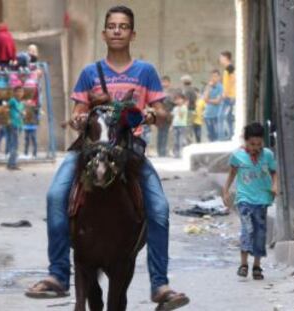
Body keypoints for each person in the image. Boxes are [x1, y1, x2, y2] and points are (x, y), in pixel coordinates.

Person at [26, 5, 189, 309]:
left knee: (160, 208)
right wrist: (77, 119)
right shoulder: (90, 73)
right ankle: (58, 274)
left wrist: (153, 115)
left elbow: (164, 114)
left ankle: (160, 284)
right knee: (55, 196)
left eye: (123, 26)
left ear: (132, 33)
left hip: (131, 152)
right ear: (104, 33)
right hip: (89, 152)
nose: (117, 31)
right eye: (112, 26)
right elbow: (78, 112)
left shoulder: (146, 72)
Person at [222, 122, 278, 280]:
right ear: (245, 141)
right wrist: (225, 190)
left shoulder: (267, 155)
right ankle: (244, 264)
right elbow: (232, 174)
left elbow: (274, 172)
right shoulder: (237, 156)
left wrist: (275, 186)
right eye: (252, 144)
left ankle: (257, 266)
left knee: (260, 232)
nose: (255, 147)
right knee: (248, 229)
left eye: (259, 144)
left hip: (262, 199)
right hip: (244, 198)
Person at [218, 51, 236, 140]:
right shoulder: (228, 68)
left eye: (221, 57)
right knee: (228, 117)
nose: (220, 59)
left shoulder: (230, 67)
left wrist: (226, 92)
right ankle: (230, 135)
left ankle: (222, 138)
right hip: (229, 95)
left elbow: (233, 79)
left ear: (226, 58)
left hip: (229, 96)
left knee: (221, 116)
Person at [7, 86, 25, 170]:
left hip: (19, 125)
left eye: (21, 92)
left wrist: (23, 114)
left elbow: (22, 113)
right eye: (18, 92)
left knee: (16, 145)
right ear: (14, 93)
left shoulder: (21, 103)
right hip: (13, 124)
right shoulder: (12, 101)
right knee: (14, 144)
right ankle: (12, 164)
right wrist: (9, 119)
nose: (20, 93)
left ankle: (11, 163)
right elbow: (6, 109)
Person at [157, 76, 174, 157]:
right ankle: (160, 151)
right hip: (160, 116)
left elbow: (173, 103)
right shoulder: (158, 92)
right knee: (160, 134)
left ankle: (163, 151)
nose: (164, 84)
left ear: (169, 83)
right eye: (163, 82)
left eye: (166, 82)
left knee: (165, 133)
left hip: (168, 116)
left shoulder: (172, 92)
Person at [203, 70, 223, 142]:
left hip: (216, 115)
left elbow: (218, 101)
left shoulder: (221, 87)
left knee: (217, 137)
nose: (214, 78)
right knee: (210, 136)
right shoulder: (208, 87)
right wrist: (208, 88)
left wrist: (209, 100)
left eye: (215, 76)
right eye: (212, 76)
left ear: (219, 77)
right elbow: (205, 99)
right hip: (207, 115)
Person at [171, 92, 188, 158]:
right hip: (175, 125)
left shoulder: (184, 107)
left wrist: (180, 107)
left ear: (183, 100)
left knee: (181, 140)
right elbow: (173, 117)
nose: (178, 101)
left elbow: (181, 115)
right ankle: (176, 153)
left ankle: (182, 153)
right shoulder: (175, 108)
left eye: (180, 99)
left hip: (182, 126)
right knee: (175, 140)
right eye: (176, 99)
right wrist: (171, 125)